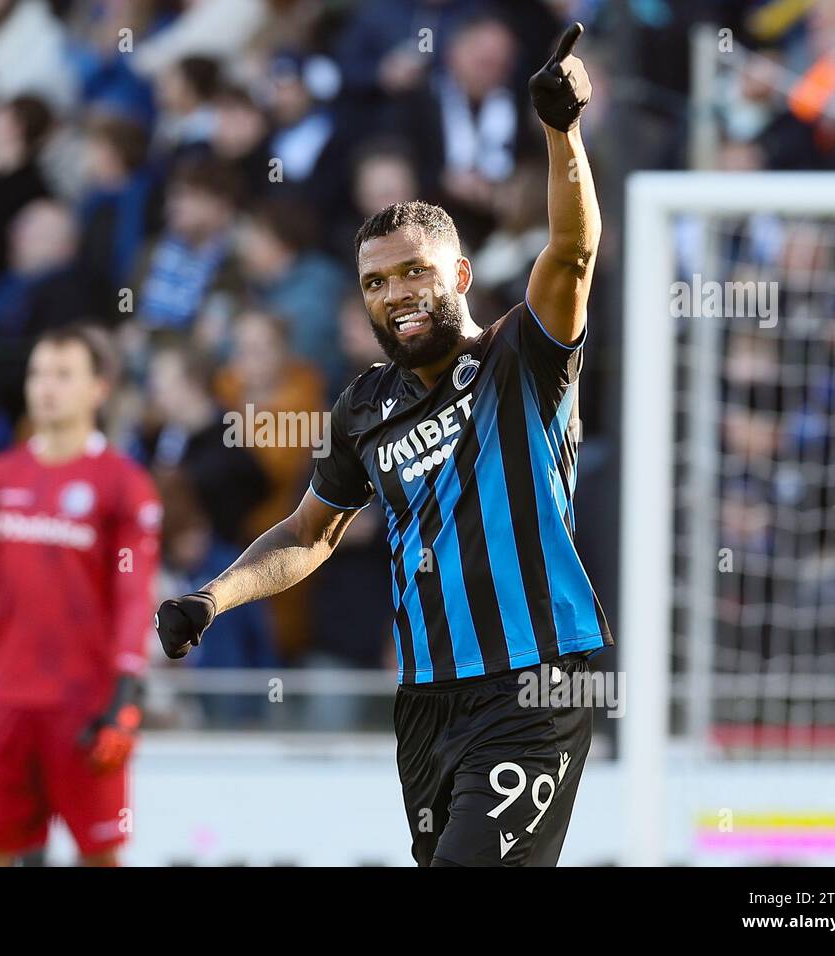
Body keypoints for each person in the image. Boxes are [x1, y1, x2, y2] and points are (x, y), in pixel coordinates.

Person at [156, 25, 611, 867]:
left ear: (460, 277)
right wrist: (212, 599)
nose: (394, 294)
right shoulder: (364, 406)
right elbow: (305, 535)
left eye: (413, 272)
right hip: (428, 702)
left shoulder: (522, 355)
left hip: (538, 681)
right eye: (375, 281)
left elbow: (573, 252)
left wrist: (562, 133)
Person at [0, 325, 161, 866]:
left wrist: (125, 697)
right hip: (9, 706)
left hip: (84, 706)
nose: (46, 387)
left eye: (64, 375)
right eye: (39, 373)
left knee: (100, 856)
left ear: (98, 389)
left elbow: (136, 596)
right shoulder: (2, 475)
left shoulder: (122, 483)